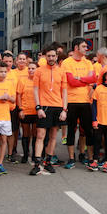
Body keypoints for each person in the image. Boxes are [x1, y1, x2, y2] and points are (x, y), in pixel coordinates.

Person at [30, 45, 68, 175]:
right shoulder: (39, 71)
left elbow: (64, 91)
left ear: (57, 57)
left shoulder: (62, 71)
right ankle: (37, 163)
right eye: (49, 56)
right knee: (40, 135)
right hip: (44, 107)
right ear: (45, 57)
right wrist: (38, 107)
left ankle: (48, 162)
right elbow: (35, 90)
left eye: (53, 56)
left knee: (53, 136)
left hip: (58, 107)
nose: (51, 58)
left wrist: (64, 109)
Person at [60, 38, 97, 168]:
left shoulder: (88, 63)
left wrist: (79, 78)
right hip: (71, 101)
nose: (86, 49)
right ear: (76, 48)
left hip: (86, 101)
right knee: (71, 130)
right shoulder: (67, 63)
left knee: (88, 131)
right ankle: (71, 158)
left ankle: (88, 157)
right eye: (84, 46)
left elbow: (93, 78)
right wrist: (84, 80)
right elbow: (71, 82)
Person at [16, 60, 38, 163]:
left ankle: (34, 154)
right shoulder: (22, 80)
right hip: (25, 110)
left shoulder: (39, 81)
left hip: (36, 111)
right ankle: (25, 154)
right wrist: (20, 109)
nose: (31, 70)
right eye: (29, 68)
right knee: (25, 134)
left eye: (33, 68)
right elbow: (19, 95)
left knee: (35, 134)